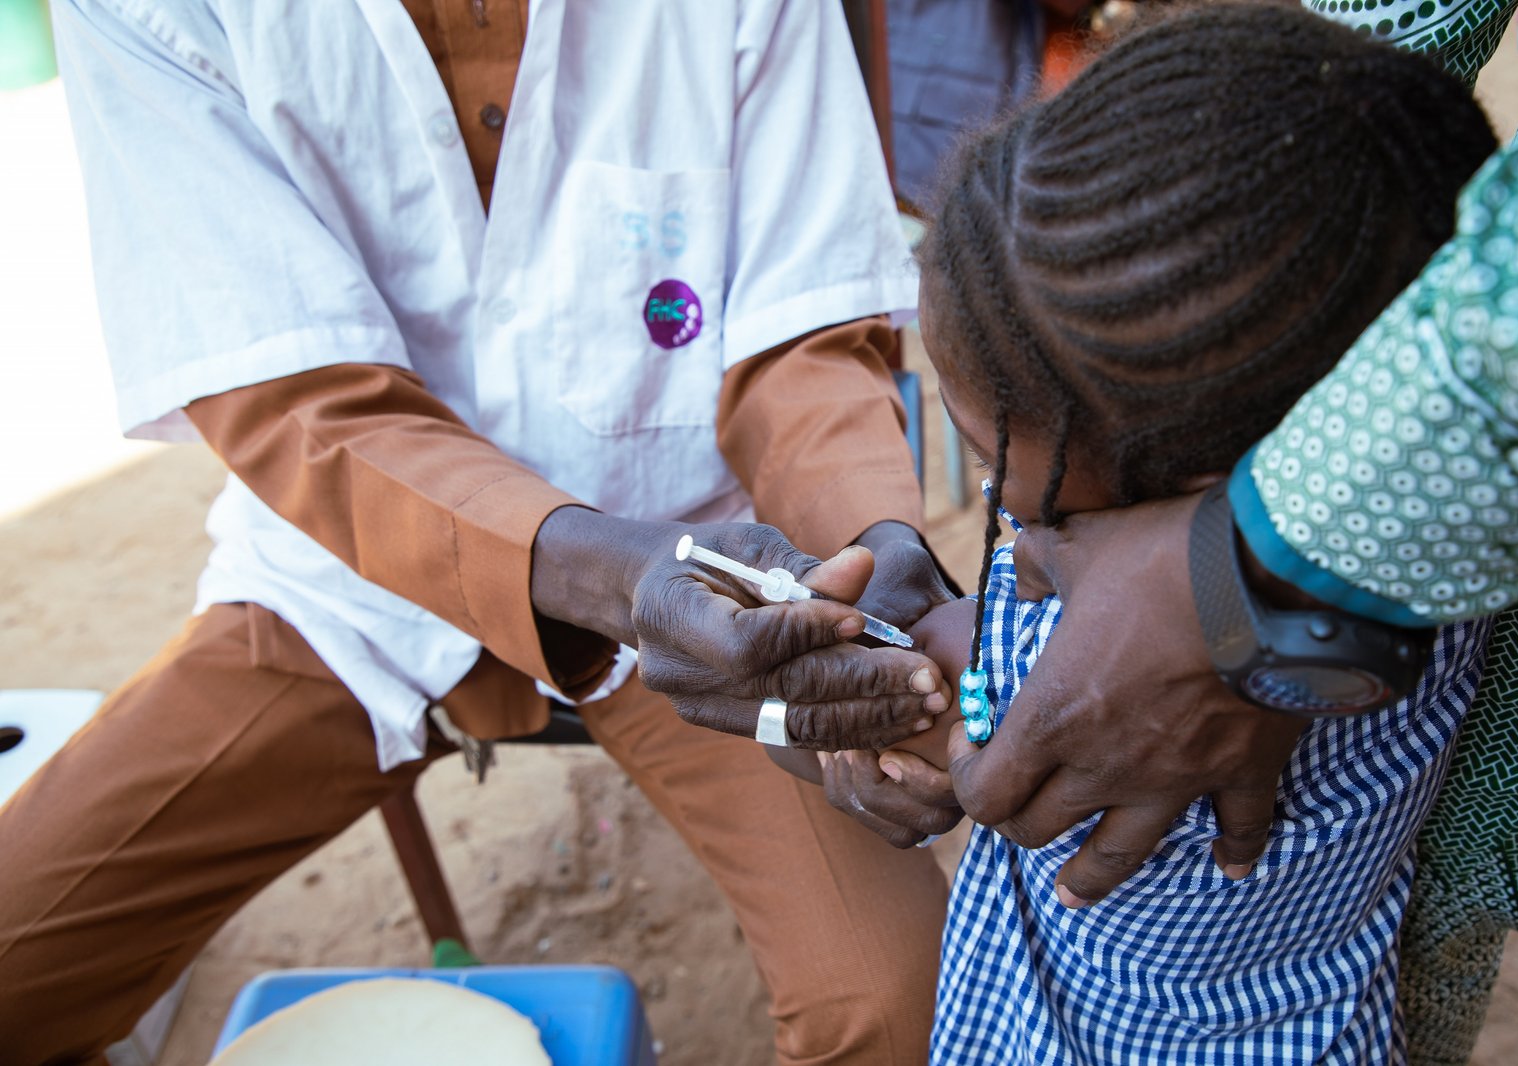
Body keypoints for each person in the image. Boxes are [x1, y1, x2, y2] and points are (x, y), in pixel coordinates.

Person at [0, 3, 958, 1063]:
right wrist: (599, 573)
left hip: (713, 575)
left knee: (892, 998)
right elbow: (289, 394)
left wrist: (863, 554)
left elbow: (800, 330)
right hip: (343, 581)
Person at [903, 1, 1518, 1063]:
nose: (990, 489)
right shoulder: (1427, 578)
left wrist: (896, 655)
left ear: (1189, 475)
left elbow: (989, 728)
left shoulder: (1141, 652)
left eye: (987, 443)